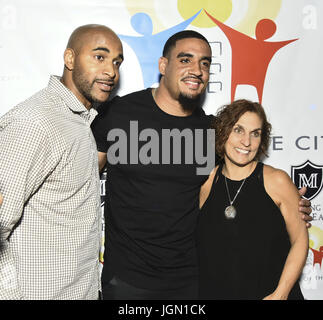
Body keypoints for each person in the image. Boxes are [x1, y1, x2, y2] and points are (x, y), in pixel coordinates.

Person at [91, 30, 312, 300]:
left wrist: (293, 204)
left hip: (192, 280)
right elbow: (84, 178)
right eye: (185, 60)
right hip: (128, 279)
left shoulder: (212, 133)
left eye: (205, 63)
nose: (196, 69)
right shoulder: (119, 113)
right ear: (163, 65)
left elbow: (243, 181)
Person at [0, 24, 123, 300]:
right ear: (70, 59)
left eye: (117, 62)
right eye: (99, 57)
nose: (111, 71)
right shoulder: (35, 122)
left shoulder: (80, 122)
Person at [197, 99, 309, 300]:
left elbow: (300, 240)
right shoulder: (206, 182)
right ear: (223, 132)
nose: (246, 142)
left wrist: (281, 294)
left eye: (255, 133)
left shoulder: (277, 181)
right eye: (238, 130)